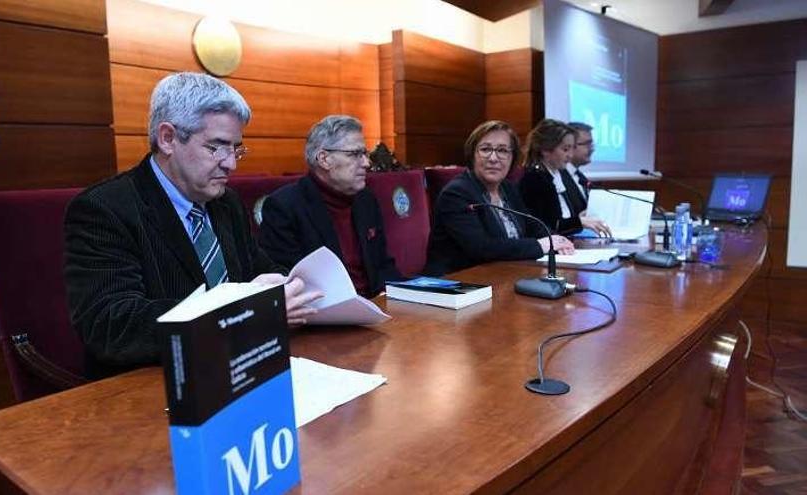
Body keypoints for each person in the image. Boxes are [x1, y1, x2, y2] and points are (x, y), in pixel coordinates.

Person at [64, 72, 322, 379]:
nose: (231, 164)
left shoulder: (226, 203)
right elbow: (111, 325)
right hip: (155, 385)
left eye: (236, 148)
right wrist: (241, 312)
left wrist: (291, 289)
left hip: (238, 369)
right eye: (216, 147)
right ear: (168, 138)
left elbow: (260, 272)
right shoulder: (105, 209)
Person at [258, 115, 402, 297]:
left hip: (376, 306)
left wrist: (399, 297)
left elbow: (382, 265)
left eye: (365, 154)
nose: (366, 163)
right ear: (324, 159)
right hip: (323, 312)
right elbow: (287, 281)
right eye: (355, 154)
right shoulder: (284, 207)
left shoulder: (366, 200)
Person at [424, 120, 574, 276]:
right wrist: (539, 245)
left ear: (512, 158)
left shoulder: (508, 188)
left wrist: (555, 239)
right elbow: (481, 248)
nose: (493, 158)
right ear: (472, 154)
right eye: (485, 149)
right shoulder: (457, 193)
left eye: (502, 151)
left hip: (502, 274)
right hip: (458, 281)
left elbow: (532, 224)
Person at [519, 118, 592, 235]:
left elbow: (561, 219)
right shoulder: (535, 179)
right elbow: (545, 227)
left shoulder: (557, 174)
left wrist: (579, 218)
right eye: (565, 149)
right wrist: (579, 222)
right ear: (546, 150)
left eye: (572, 149)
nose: (570, 155)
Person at [565, 122, 611, 237]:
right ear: (570, 146)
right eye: (586, 144)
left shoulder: (580, 177)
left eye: (592, 144)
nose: (592, 149)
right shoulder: (557, 177)